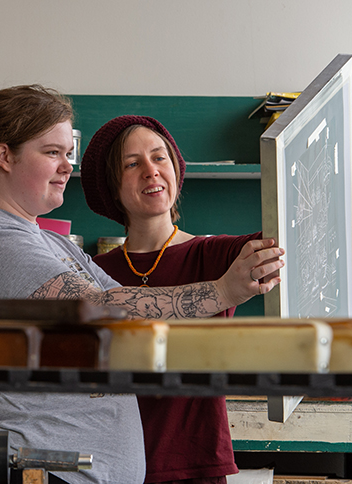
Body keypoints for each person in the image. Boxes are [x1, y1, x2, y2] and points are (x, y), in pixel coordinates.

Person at [0, 85, 284, 484]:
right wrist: (222, 293)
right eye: (52, 152)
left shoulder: (52, 243)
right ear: (4, 156)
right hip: (39, 472)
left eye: (68, 153)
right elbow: (102, 308)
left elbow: (129, 308)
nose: (67, 166)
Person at [81, 115, 275, 484]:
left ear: (175, 169)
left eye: (160, 157)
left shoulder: (216, 254)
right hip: (111, 465)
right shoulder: (92, 272)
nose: (151, 171)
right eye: (132, 163)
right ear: (112, 186)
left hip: (194, 463)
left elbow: (287, 235)